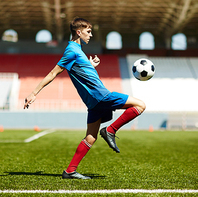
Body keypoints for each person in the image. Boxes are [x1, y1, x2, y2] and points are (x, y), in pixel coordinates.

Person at [24, 17, 146, 179]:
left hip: (93, 102)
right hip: (100, 96)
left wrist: (91, 65)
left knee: (91, 136)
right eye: (88, 32)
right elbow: (54, 72)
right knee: (140, 105)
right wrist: (34, 92)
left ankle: (70, 171)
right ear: (78, 32)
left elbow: (80, 70)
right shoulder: (72, 51)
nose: (90, 35)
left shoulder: (77, 51)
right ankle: (111, 130)